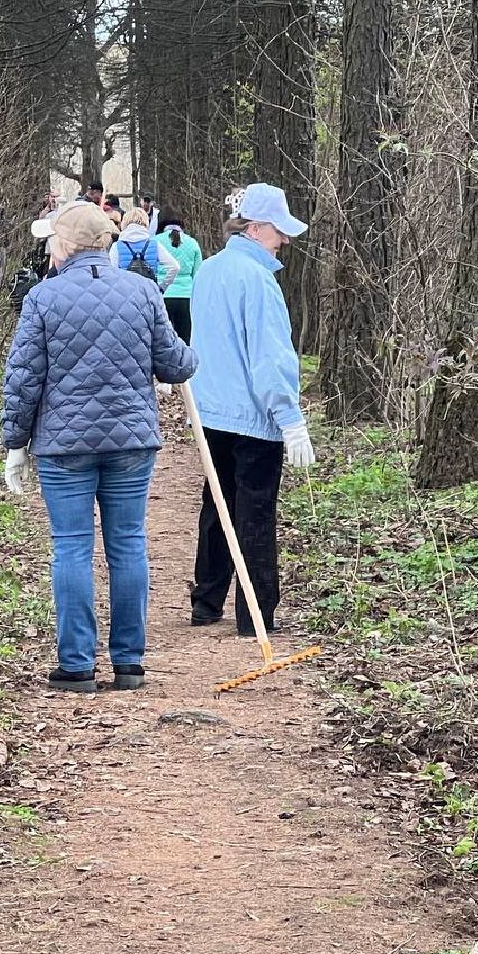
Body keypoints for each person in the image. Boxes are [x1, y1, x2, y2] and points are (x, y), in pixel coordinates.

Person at [2, 204, 198, 692]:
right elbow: (175, 365)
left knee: (71, 546)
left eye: (52, 240)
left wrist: (16, 443)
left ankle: (77, 665)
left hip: (64, 445)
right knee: (128, 543)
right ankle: (129, 663)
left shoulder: (43, 298)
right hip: (130, 440)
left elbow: (24, 379)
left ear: (67, 245)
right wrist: (190, 353)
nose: (49, 247)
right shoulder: (142, 291)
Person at [187, 184, 316, 635]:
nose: (285, 240)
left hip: (211, 413)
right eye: (279, 231)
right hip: (254, 419)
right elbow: (270, 356)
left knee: (217, 505)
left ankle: (206, 601)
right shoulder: (258, 280)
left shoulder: (208, 270)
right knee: (254, 513)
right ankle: (256, 613)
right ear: (255, 228)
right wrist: (290, 419)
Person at [109, 207, 179, 293]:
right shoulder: (154, 245)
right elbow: (175, 267)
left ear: (124, 222)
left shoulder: (116, 246)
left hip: (126, 293)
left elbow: (111, 273)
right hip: (150, 293)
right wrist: (162, 287)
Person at [156, 216, 203, 344]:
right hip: (186, 296)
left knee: (162, 340)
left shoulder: (155, 241)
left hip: (162, 295)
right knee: (186, 339)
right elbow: (197, 273)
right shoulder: (192, 243)